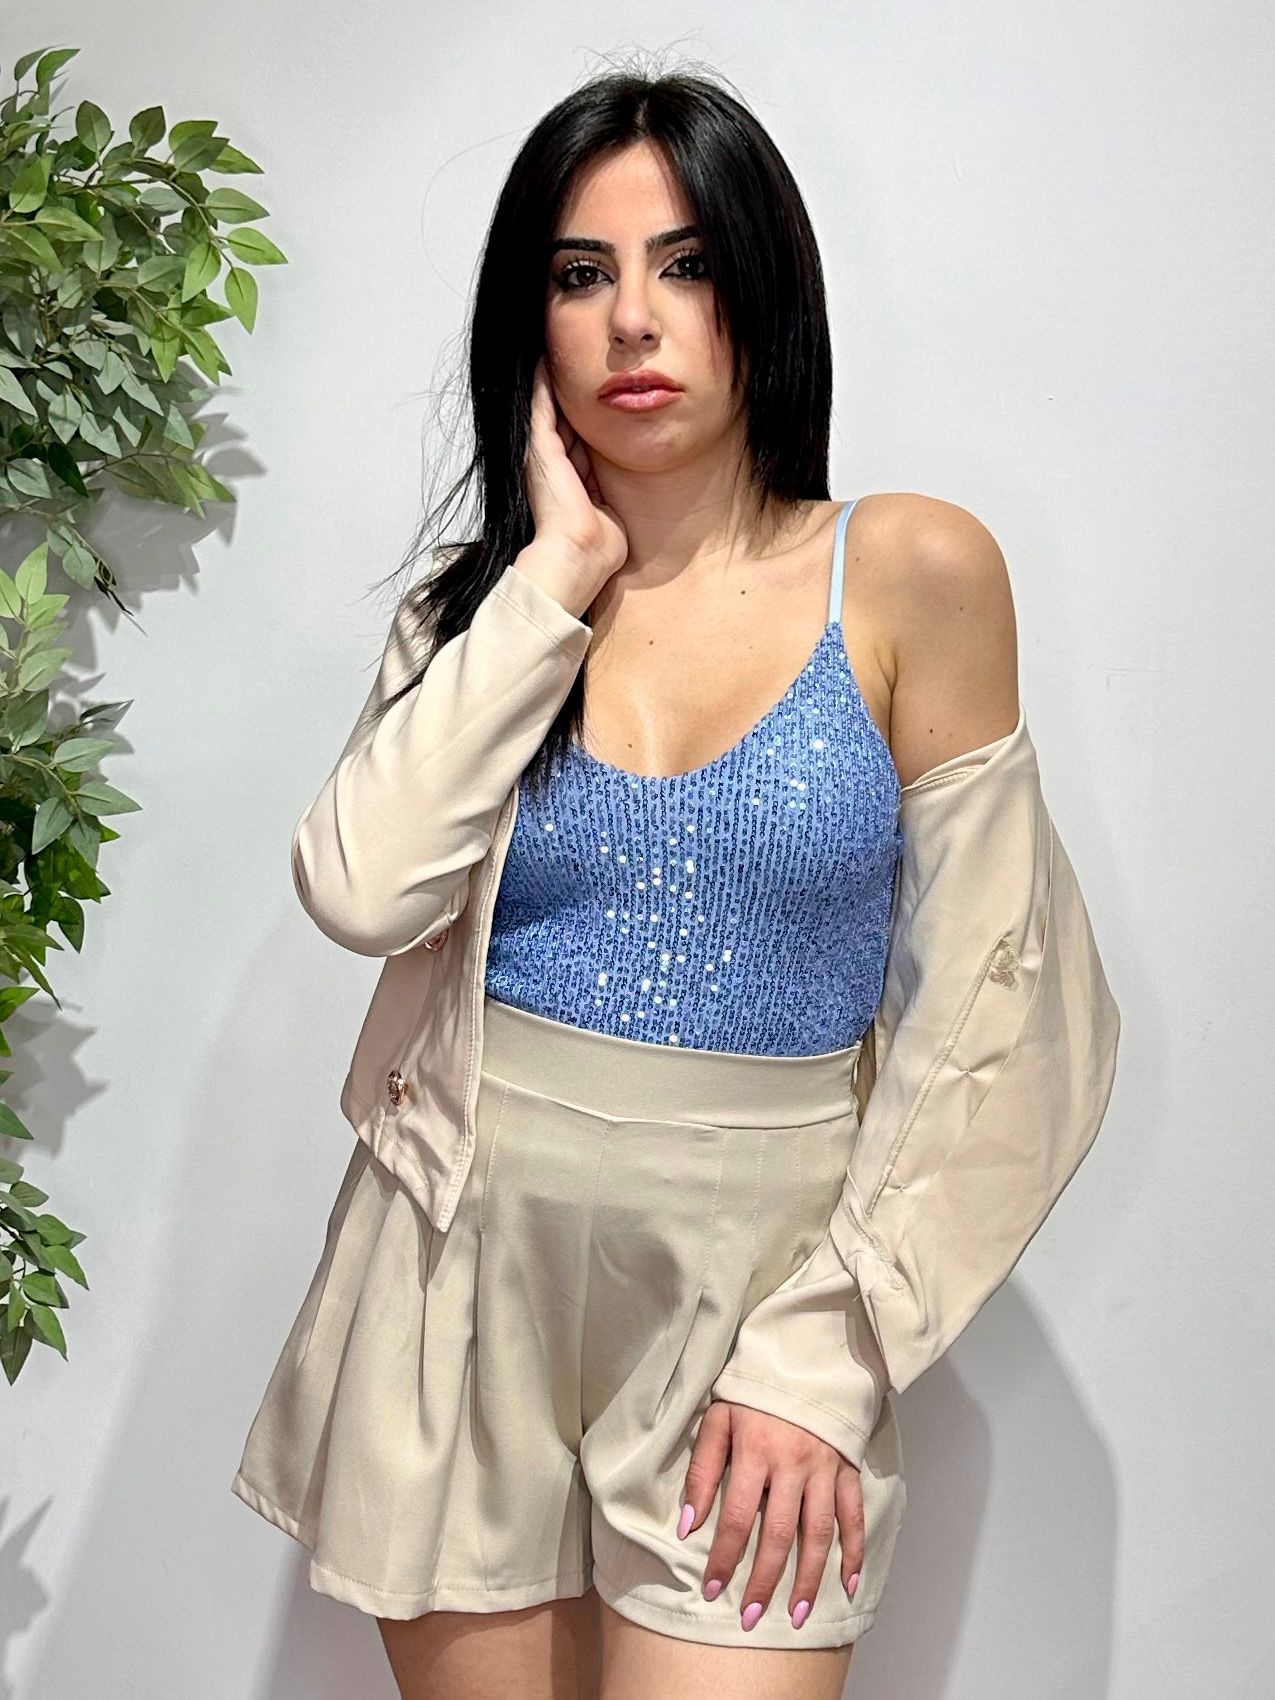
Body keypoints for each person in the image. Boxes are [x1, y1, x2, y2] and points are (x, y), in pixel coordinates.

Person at [230, 66, 1120, 1700]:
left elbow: (1014, 1019)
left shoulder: (908, 573)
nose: (634, 319)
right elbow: (362, 890)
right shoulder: (478, 620)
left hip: (762, 1287)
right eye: (582, 274)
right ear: (532, 325)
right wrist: (557, 574)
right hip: (457, 1267)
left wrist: (830, 1351)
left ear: (763, 289)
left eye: (687, 264)